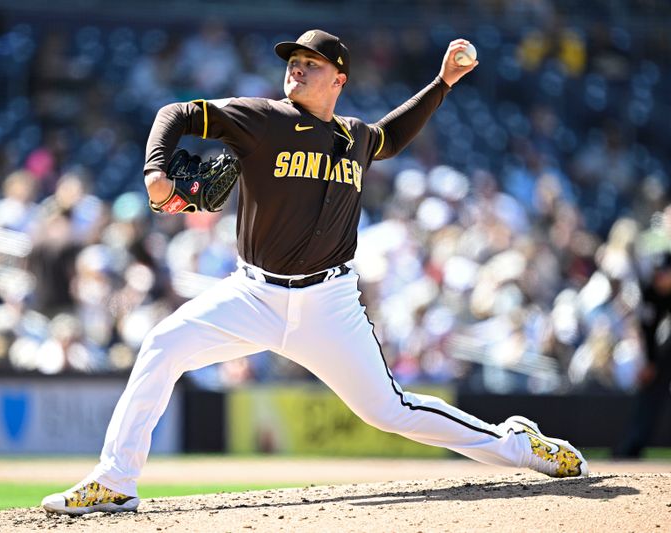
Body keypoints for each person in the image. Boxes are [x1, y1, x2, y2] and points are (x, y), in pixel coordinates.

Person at [42, 29, 588, 515]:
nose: (296, 68)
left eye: (310, 63)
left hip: (329, 305)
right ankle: (116, 480)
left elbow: (391, 137)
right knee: (163, 345)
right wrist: (156, 171)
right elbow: (177, 114)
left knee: (389, 410)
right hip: (251, 295)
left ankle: (517, 443)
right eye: (292, 61)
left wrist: (443, 82)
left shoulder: (353, 137)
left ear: (339, 80)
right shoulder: (262, 119)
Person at [614, 251, 671, 458]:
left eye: (664, 273)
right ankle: (633, 445)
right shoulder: (651, 291)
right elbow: (649, 330)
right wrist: (650, 363)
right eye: (657, 273)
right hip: (659, 349)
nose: (659, 277)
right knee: (651, 388)